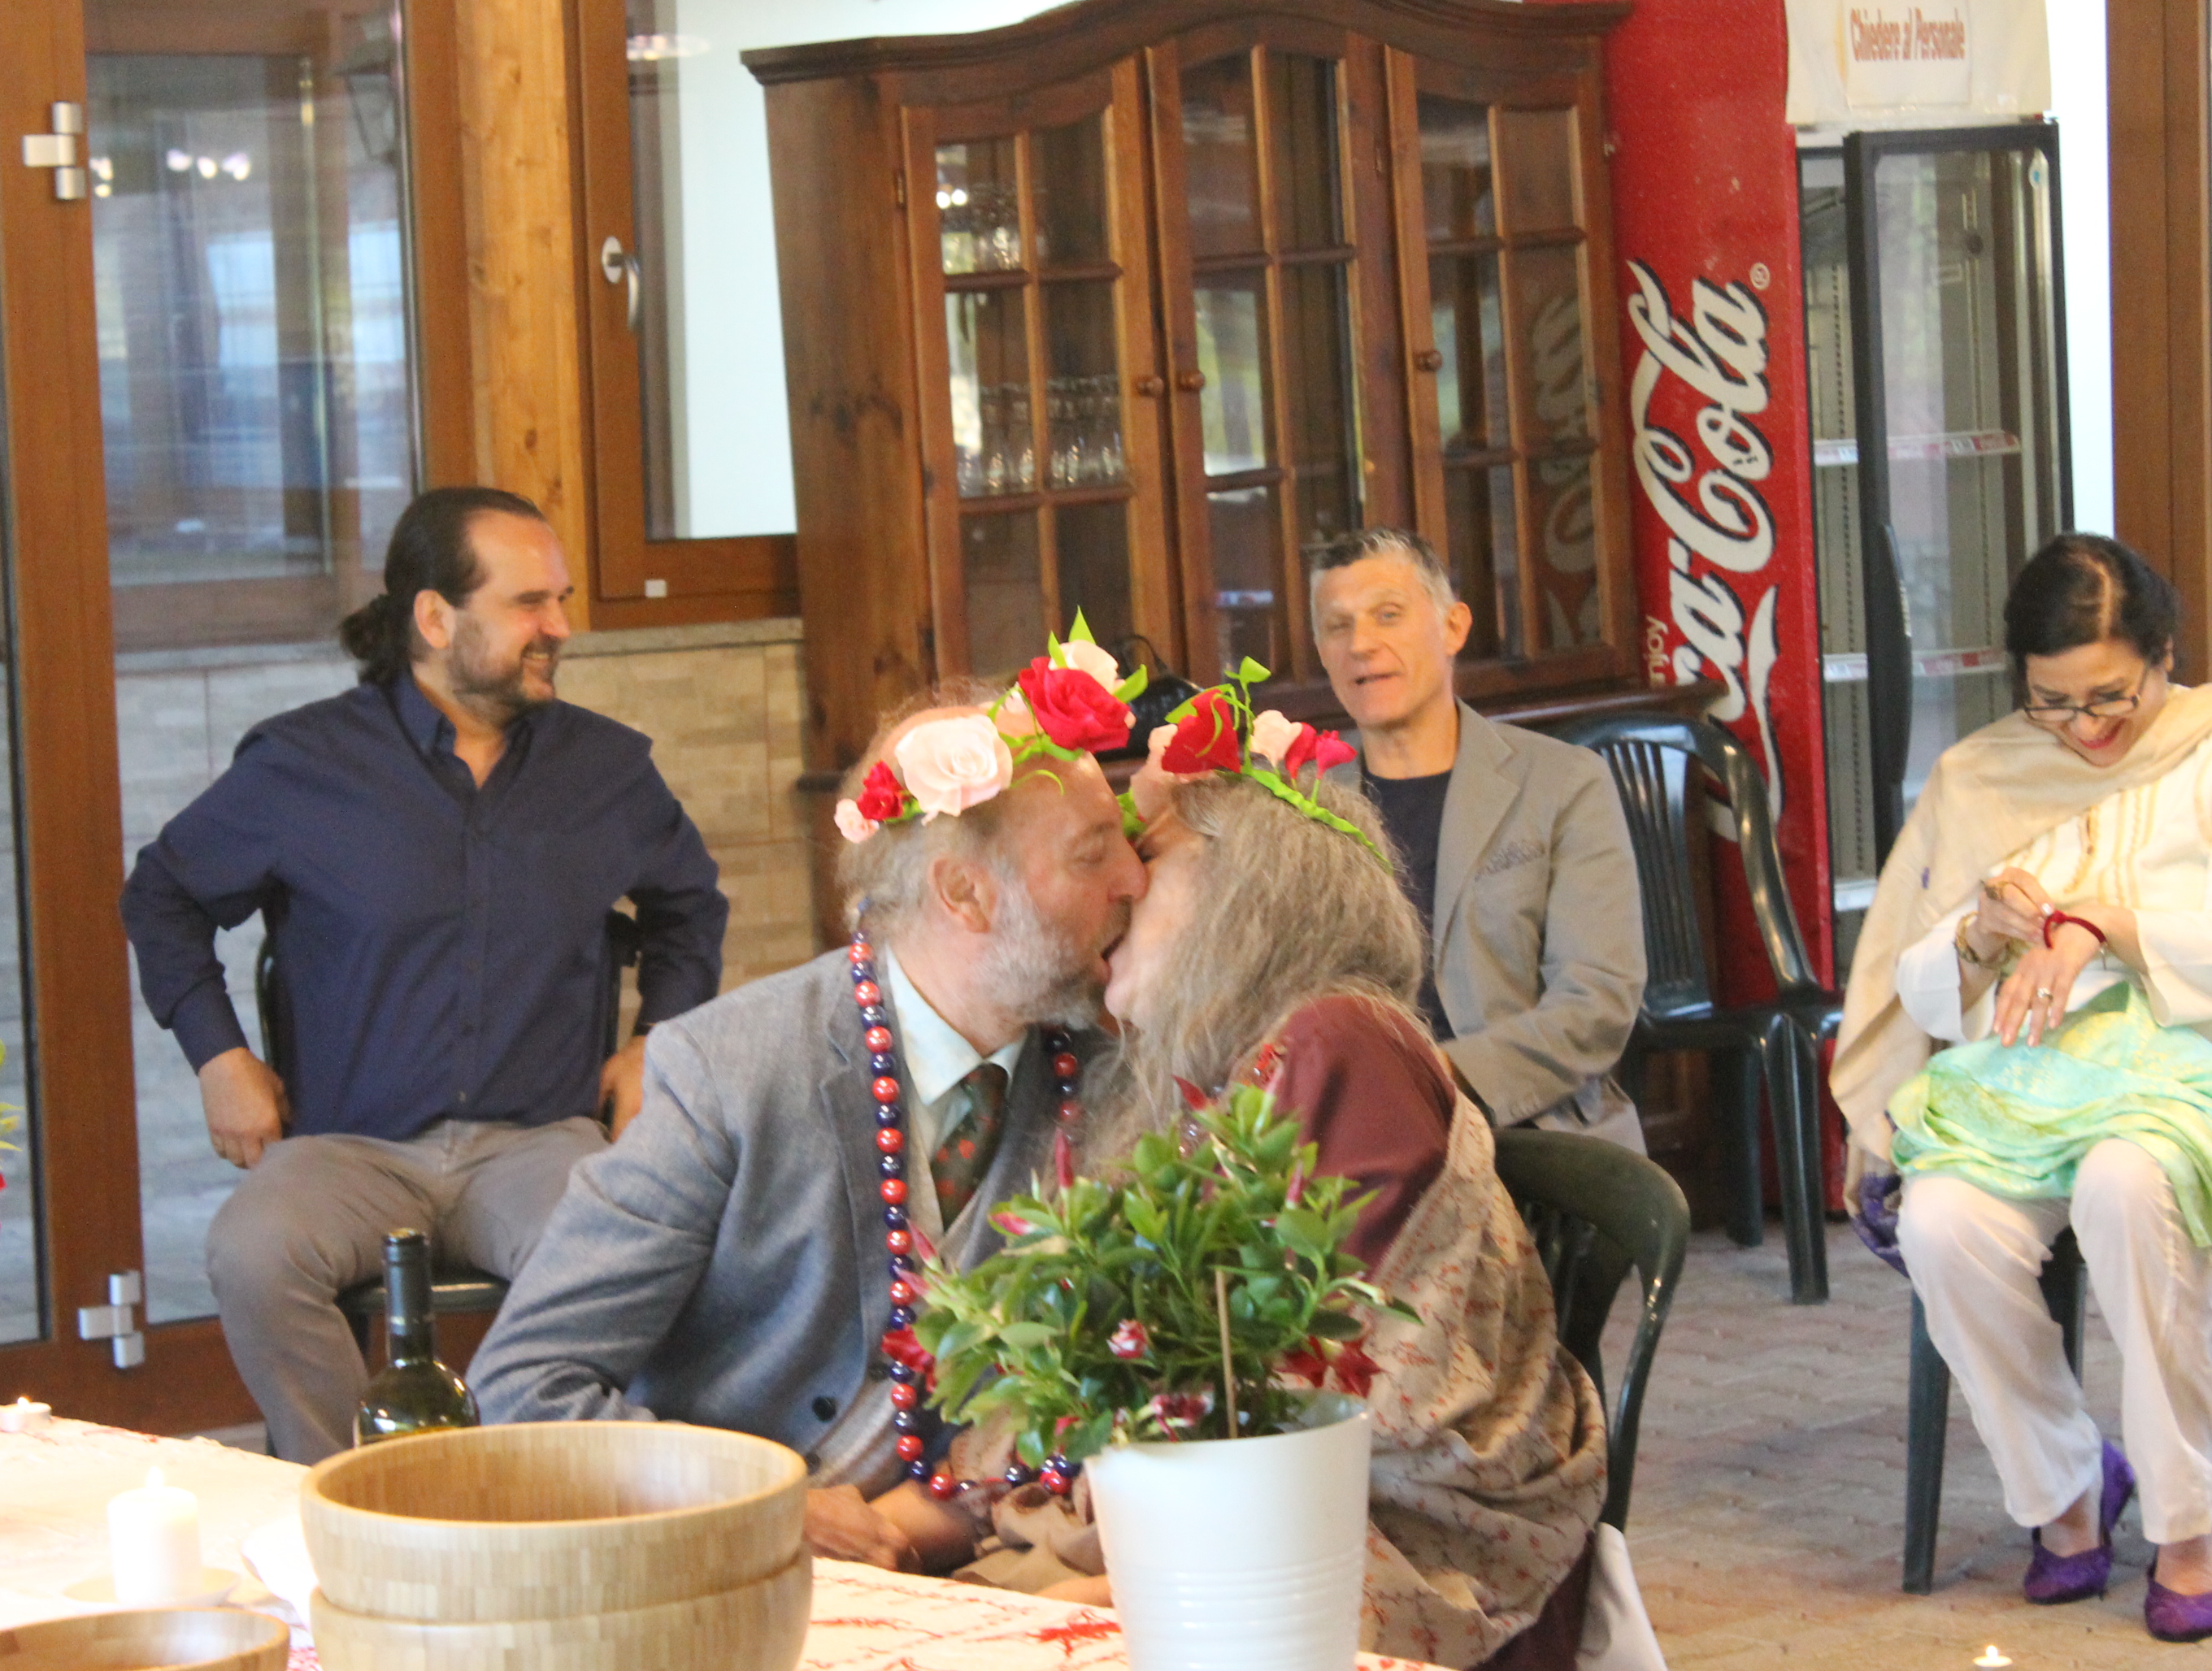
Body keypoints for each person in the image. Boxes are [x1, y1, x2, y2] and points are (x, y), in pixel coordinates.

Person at [878, 698, 1608, 1667]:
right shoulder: (1240, 1060)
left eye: (1149, 853)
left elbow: (1278, 1388)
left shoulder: (1338, 1039)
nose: (1126, 884)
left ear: (1244, 891)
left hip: (1376, 1550)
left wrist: (1100, 1561)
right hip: (1255, 1518)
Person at [469, 674, 1146, 1573]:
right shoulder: (730, 1070)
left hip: (968, 1565)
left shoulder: (1111, 1076)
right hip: (720, 1572)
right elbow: (522, 1385)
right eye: (1093, 854)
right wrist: (757, 1509)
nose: (1134, 878)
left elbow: (1108, 1391)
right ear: (965, 894)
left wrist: (906, 1525)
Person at [120, 486, 727, 1464]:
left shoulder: (606, 770)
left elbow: (689, 907)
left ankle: (553, 1491)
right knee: (253, 1250)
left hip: (540, 1143)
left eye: (561, 599)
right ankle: (352, 1494)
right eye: (529, 603)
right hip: (348, 1148)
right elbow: (163, 894)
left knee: (643, 1248)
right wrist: (218, 1056)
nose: (560, 627)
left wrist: (656, 1040)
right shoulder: (305, 764)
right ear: (436, 619)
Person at [1833, 533, 2212, 1643]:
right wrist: (1977, 939)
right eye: (2052, 703)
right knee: (1944, 1222)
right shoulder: (1982, 776)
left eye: (2111, 697)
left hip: (2183, 1064)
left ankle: (2190, 1520)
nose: (2084, 729)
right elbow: (1914, 986)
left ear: (2165, 656)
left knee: (2127, 1186)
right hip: (2022, 1079)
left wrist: (2109, 925)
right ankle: (2066, 1488)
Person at [1312, 528, 1646, 1147]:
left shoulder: (1563, 783)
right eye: (1338, 626)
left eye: (1388, 615)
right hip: (1354, 1140)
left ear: (1453, 628)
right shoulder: (1299, 801)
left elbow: (1597, 1002)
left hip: (1531, 1132)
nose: (1361, 644)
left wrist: (1436, 1077)